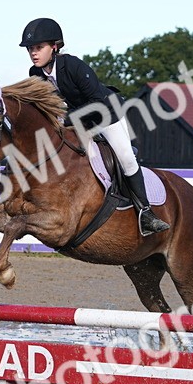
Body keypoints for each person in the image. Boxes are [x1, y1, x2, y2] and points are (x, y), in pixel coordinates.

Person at [20, 17, 169, 234]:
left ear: (54, 46)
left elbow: (97, 102)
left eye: (39, 47)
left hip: (106, 115)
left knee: (126, 157)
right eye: (30, 49)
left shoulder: (73, 66)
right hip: (78, 121)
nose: (34, 53)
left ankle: (146, 213)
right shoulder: (35, 74)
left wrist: (66, 119)